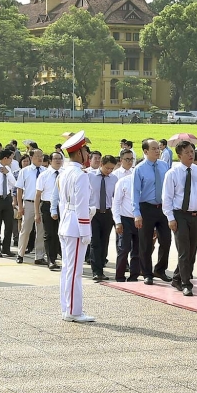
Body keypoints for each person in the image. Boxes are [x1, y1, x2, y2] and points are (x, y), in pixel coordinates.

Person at [51, 131, 95, 323]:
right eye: (86, 150)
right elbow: (81, 206)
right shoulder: (80, 175)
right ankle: (73, 311)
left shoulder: (64, 173)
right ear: (79, 153)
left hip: (66, 224)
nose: (88, 154)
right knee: (75, 271)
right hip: (76, 227)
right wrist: (86, 231)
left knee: (68, 270)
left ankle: (66, 307)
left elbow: (63, 203)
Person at [162, 141, 197, 296]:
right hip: (179, 215)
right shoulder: (172, 173)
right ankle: (186, 283)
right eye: (187, 152)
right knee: (184, 251)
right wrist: (170, 218)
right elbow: (167, 198)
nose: (190, 154)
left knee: (192, 251)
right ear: (179, 156)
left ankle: (177, 277)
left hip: (196, 214)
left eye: (192, 151)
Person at [133, 138, 172, 285]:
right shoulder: (140, 169)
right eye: (154, 148)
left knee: (166, 240)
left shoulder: (164, 166)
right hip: (146, 208)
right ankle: (147, 273)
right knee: (145, 243)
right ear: (145, 151)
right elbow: (135, 192)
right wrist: (137, 213)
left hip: (163, 208)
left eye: (158, 148)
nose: (158, 151)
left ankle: (160, 269)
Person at [112, 154, 142, 283]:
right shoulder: (124, 181)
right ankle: (119, 276)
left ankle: (134, 276)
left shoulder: (146, 183)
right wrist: (118, 222)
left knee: (138, 250)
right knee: (124, 249)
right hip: (125, 220)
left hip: (140, 220)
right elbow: (116, 203)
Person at [88, 155, 118, 281]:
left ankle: (101, 267)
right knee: (95, 242)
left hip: (107, 213)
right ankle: (96, 271)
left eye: (112, 168)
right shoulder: (89, 176)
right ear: (101, 164)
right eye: (107, 168)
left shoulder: (114, 179)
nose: (109, 171)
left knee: (104, 241)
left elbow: (116, 197)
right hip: (93, 212)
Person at [14, 149, 44, 263]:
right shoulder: (25, 171)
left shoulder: (45, 171)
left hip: (42, 203)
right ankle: (20, 254)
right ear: (31, 157)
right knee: (25, 230)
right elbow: (19, 189)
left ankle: (39, 256)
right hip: (29, 203)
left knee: (41, 231)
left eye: (41, 156)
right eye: (37, 156)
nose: (40, 158)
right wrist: (20, 206)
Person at [35, 152, 64, 271]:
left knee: (61, 233)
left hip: (62, 206)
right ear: (50, 161)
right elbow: (37, 195)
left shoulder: (65, 174)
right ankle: (50, 260)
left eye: (60, 159)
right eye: (55, 159)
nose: (58, 161)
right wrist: (36, 213)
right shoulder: (44, 175)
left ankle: (61, 257)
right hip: (47, 206)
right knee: (49, 234)